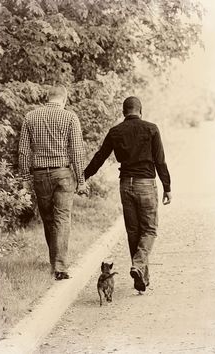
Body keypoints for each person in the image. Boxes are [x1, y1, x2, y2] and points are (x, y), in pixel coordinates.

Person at [84, 96, 171, 292]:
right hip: (145, 184)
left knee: (133, 232)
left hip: (126, 185)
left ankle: (141, 280)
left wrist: (84, 176)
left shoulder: (116, 131)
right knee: (149, 230)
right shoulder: (152, 128)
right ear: (140, 111)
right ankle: (138, 266)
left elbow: (100, 157)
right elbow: (160, 161)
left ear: (124, 112)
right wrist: (167, 187)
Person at [19, 85, 88, 280]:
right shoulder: (70, 117)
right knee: (62, 218)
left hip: (40, 176)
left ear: (47, 98)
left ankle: (55, 264)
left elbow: (24, 151)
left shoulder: (30, 117)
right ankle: (59, 265)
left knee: (48, 219)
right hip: (63, 174)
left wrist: (25, 180)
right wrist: (81, 181)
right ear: (64, 100)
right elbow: (76, 150)